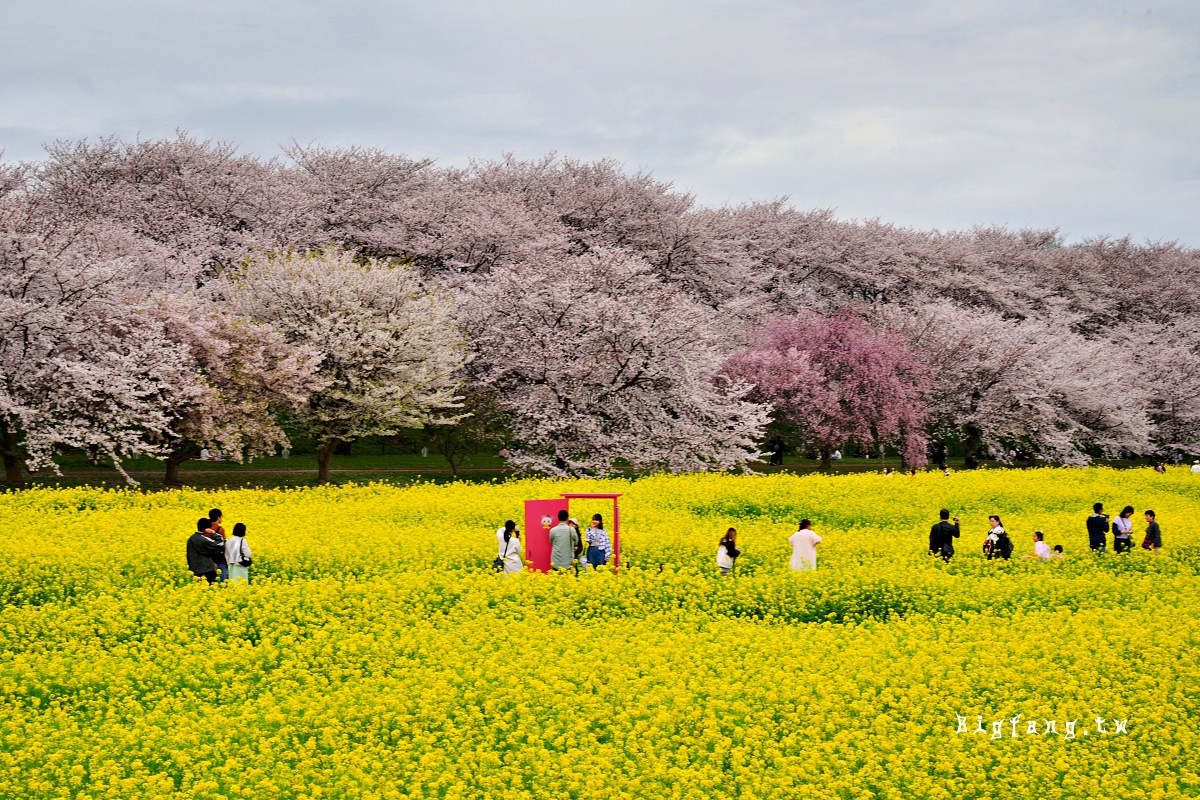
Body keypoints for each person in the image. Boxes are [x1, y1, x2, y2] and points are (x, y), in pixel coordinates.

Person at [187, 517, 226, 583]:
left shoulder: (191, 539)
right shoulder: (203, 539)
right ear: (207, 529)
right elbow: (220, 543)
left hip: (195, 570)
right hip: (206, 570)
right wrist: (214, 533)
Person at [209, 509, 228, 582]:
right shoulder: (220, 529)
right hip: (219, 558)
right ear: (218, 517)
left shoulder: (206, 529)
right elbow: (223, 545)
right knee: (222, 578)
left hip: (209, 559)